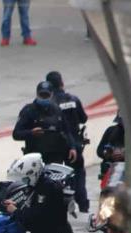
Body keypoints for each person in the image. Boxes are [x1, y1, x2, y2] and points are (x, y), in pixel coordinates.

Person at [46, 71, 89, 212]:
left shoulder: (51, 104)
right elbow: (83, 118)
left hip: (58, 144)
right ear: (62, 83)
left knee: (58, 175)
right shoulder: (73, 99)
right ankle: (83, 204)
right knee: (78, 172)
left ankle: (64, 204)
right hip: (75, 142)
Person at [13, 81, 78, 166]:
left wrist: (72, 147)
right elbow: (16, 134)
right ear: (37, 94)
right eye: (41, 95)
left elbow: (66, 131)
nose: (44, 98)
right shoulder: (28, 111)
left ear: (51, 95)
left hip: (55, 156)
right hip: (35, 158)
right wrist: (31, 133)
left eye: (46, 95)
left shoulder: (57, 110)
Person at [97, 114, 125, 180]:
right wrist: (109, 154)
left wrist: (124, 153)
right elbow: (99, 150)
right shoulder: (111, 130)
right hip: (111, 172)